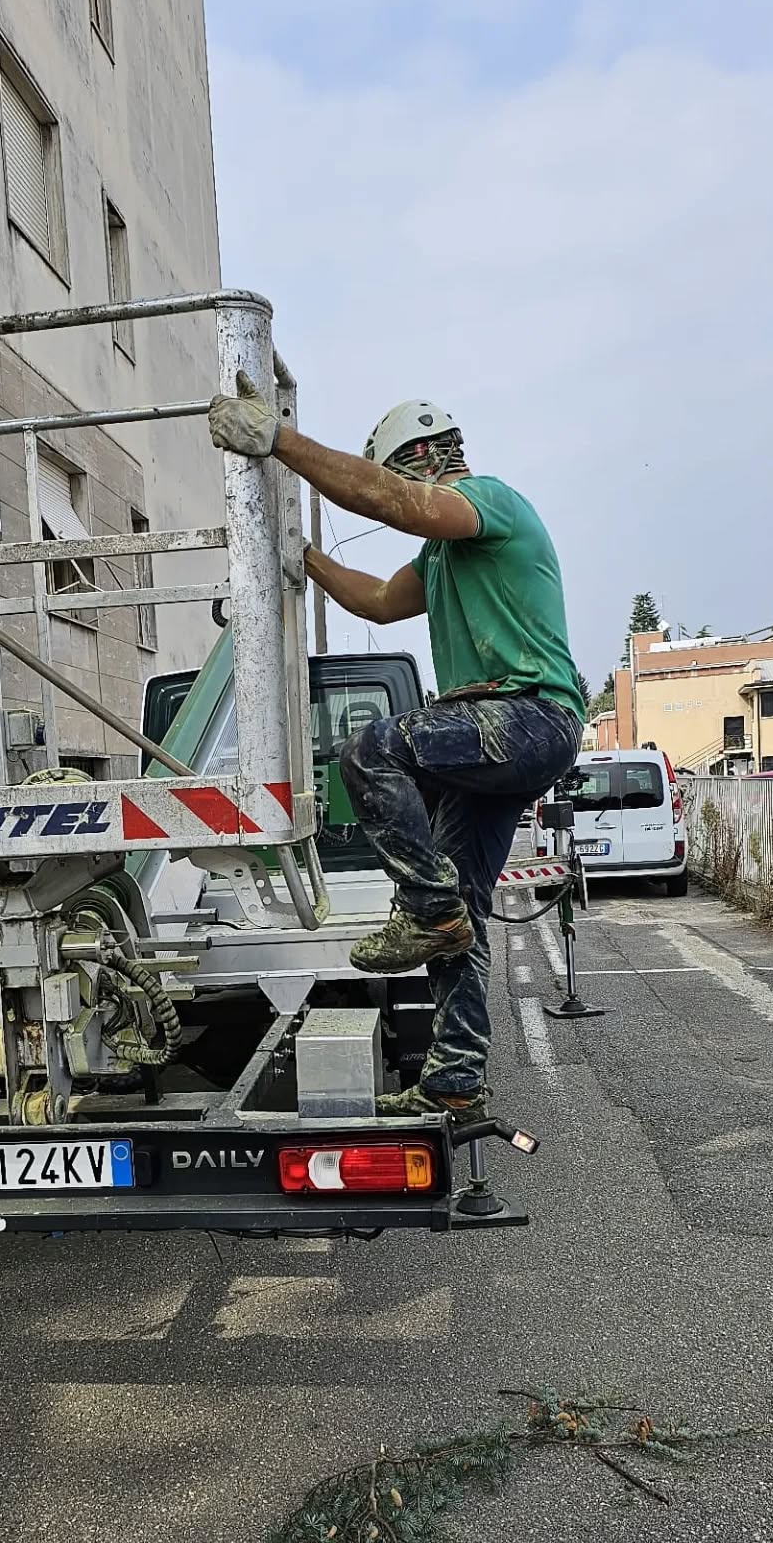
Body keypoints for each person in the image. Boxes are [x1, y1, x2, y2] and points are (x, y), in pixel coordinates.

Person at [207, 375, 585, 1117]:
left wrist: (278, 441)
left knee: (374, 749)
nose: (400, 495)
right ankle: (454, 1082)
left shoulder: (491, 502)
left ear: (419, 460)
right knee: (463, 920)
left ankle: (425, 906)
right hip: (500, 738)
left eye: (401, 474)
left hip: (532, 717)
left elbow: (390, 499)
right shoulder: (444, 562)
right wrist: (304, 558)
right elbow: (380, 601)